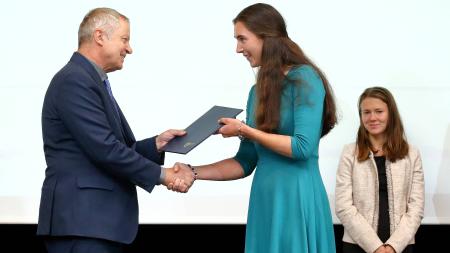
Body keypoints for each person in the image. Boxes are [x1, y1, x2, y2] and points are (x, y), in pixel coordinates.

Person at [170, 3, 337, 253]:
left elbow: (303, 147)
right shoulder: (256, 92)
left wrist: (244, 130)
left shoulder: (304, 78)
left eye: (242, 39)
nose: (238, 49)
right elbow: (245, 162)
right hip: (265, 203)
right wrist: (193, 171)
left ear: (266, 36)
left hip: (297, 199)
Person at [37, 7, 195, 253]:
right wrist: (164, 175)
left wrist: (155, 145)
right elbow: (105, 149)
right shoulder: (75, 80)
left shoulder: (89, 79)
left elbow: (111, 147)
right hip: (84, 223)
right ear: (100, 36)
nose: (129, 49)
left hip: (94, 224)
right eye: (125, 39)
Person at [335, 87, 425, 253]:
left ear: (390, 113)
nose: (372, 118)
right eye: (366, 112)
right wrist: (375, 247)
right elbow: (343, 206)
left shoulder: (411, 154)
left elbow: (416, 207)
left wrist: (393, 246)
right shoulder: (349, 153)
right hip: (357, 245)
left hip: (401, 247)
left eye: (379, 111)